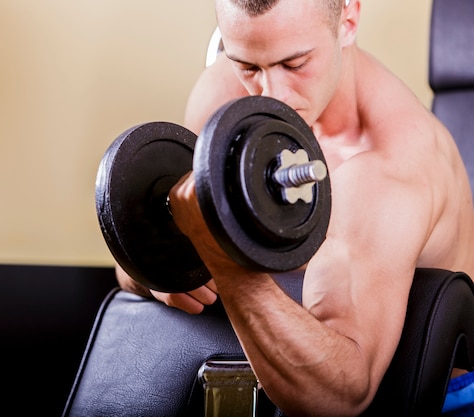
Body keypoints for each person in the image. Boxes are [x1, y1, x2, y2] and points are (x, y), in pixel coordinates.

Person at [116, 0, 474, 415]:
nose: (272, 96)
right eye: (249, 67)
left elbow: (340, 395)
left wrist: (224, 263)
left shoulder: (386, 167)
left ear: (349, 18)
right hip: (259, 372)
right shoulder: (221, 93)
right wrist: (161, 271)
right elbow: (134, 267)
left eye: (295, 63)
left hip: (420, 396)